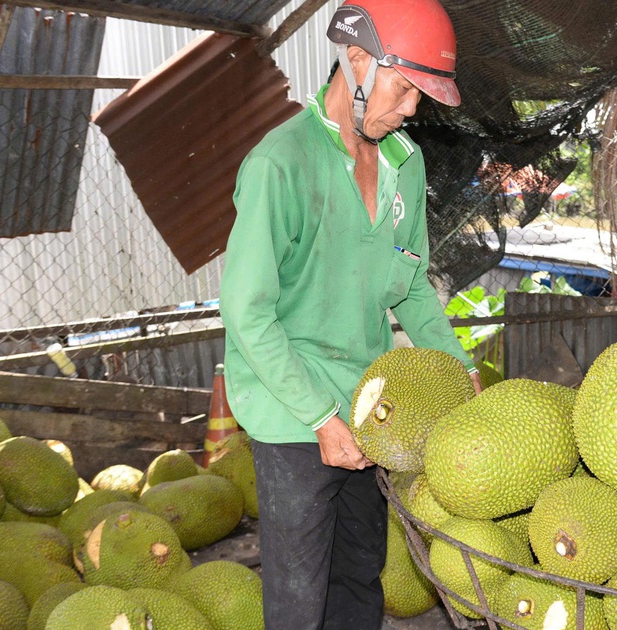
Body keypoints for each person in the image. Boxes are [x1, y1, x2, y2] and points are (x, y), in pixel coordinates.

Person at [219, 1, 479, 628]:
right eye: (406, 87)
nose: (413, 108)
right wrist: (319, 417)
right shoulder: (279, 165)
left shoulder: (404, 164)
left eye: (423, 94)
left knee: (362, 572)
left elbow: (411, 286)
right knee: (299, 590)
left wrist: (457, 366)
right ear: (357, 60)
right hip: (293, 411)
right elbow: (246, 312)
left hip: (368, 401)